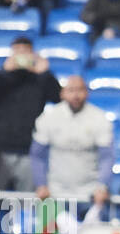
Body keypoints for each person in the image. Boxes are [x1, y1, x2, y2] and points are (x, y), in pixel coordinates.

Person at [0, 36, 59, 191]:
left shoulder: (39, 79)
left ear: (33, 54)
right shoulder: (3, 77)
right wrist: (3, 72)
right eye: (18, 52)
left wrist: (45, 74)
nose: (22, 57)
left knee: (27, 202)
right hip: (0, 150)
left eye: (25, 52)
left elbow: (58, 98)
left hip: (29, 149)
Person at [29, 75, 113, 204]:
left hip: (90, 193)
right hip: (53, 192)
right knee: (48, 224)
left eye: (80, 90)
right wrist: (41, 184)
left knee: (92, 224)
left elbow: (107, 157)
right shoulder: (48, 117)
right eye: (71, 90)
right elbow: (37, 155)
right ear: (62, 93)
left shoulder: (100, 118)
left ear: (87, 93)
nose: (76, 95)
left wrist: (102, 187)